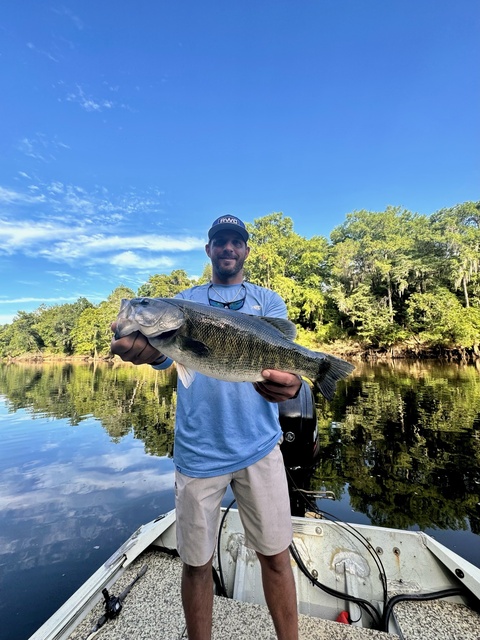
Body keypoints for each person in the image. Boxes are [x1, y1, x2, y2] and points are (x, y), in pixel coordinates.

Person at [111, 215, 302, 640]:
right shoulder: (182, 303)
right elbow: (162, 356)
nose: (228, 249)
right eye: (220, 242)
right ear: (208, 250)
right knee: (196, 563)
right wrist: (141, 346)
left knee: (275, 555)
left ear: (246, 250)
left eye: (236, 242)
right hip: (198, 455)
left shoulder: (268, 302)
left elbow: (286, 362)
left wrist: (296, 383)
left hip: (260, 447)